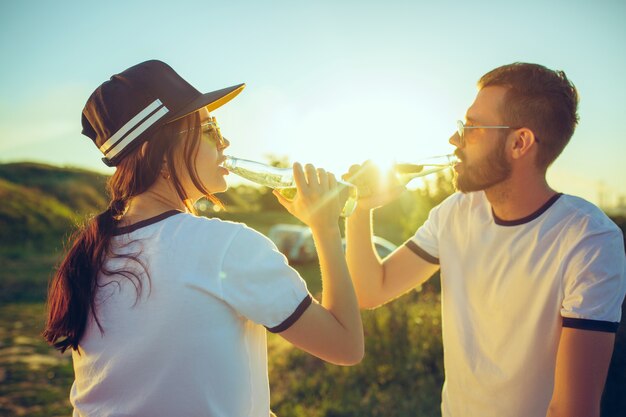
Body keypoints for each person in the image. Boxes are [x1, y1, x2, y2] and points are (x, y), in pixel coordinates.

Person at [43, 60, 363, 417]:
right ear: (158, 155)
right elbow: (345, 345)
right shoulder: (226, 245)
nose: (225, 142)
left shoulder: (92, 250)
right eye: (211, 129)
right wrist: (325, 226)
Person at [343, 62, 626, 417]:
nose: (454, 140)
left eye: (472, 129)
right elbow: (372, 290)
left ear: (519, 143)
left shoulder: (589, 240)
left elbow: (573, 409)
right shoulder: (454, 214)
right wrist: (359, 209)